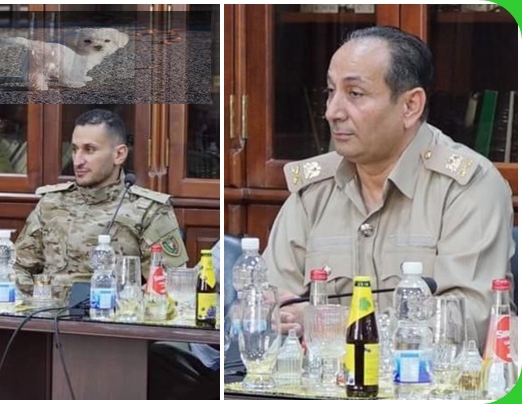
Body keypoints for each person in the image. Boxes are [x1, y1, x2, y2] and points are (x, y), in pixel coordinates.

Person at [263, 26, 514, 350]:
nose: (332, 112)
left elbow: (466, 323)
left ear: (410, 106)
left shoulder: (467, 187)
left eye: (355, 94)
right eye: (330, 91)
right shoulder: (314, 191)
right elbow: (266, 299)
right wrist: (273, 313)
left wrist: (326, 322)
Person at [14, 108, 188, 291]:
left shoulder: (149, 210)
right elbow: (17, 267)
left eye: (89, 150)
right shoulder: (51, 202)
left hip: (113, 307)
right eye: (74, 150)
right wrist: (33, 300)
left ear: (119, 155)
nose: (77, 161)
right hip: (49, 307)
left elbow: (170, 283)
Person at [148, 240, 220, 400]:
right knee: (141, 354)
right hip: (196, 340)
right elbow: (194, 283)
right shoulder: (221, 251)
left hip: (219, 353)